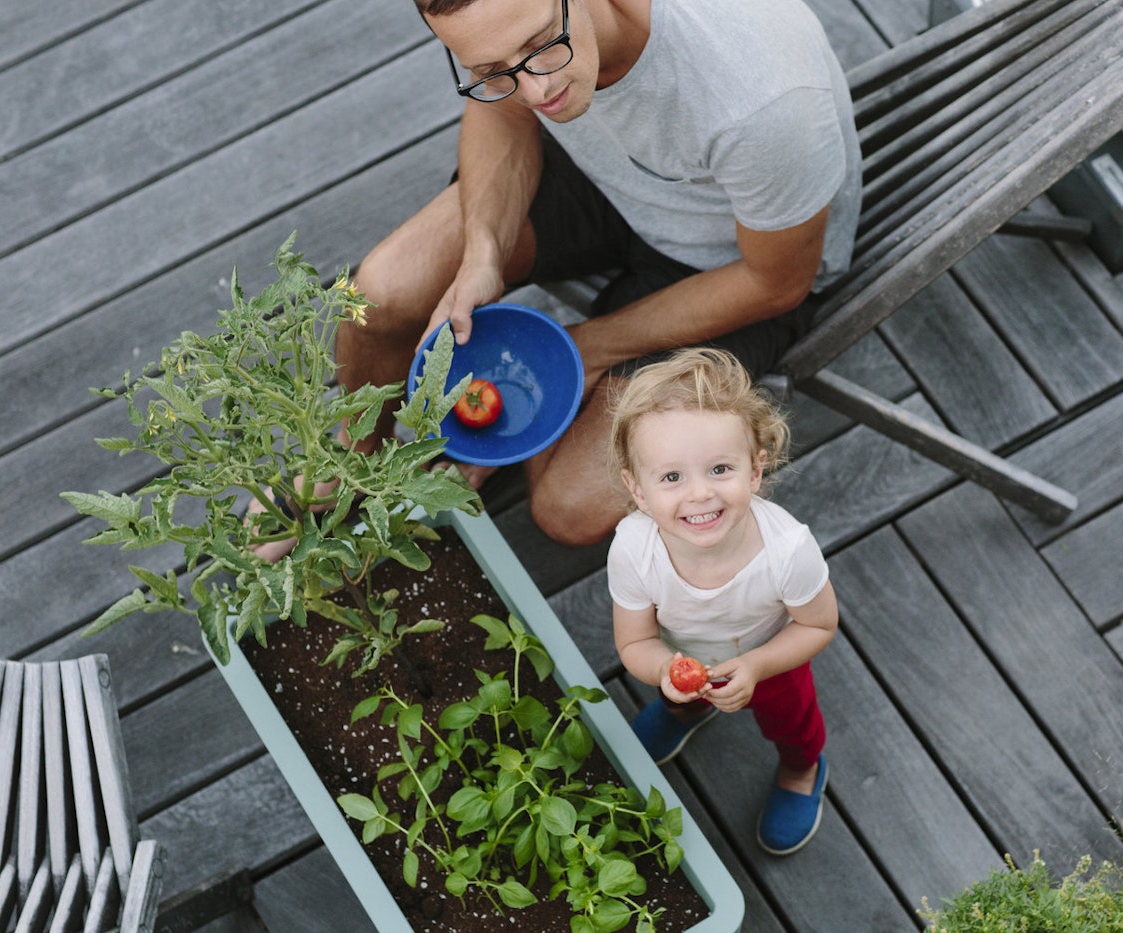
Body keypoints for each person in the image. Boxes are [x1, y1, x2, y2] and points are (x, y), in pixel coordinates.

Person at [339, 0, 861, 548]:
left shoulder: (760, 102)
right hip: (606, 175)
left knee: (568, 510)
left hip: (735, 262)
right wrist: (483, 254)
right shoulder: (527, 55)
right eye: (493, 70)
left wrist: (582, 351)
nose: (535, 91)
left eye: (542, 45)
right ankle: (353, 461)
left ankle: (543, 422)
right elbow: (503, 111)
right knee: (377, 296)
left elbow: (776, 283)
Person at [607, 347, 839, 855]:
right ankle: (685, 711)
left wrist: (756, 666)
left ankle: (801, 768)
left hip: (771, 657)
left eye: (719, 469)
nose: (698, 495)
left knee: (793, 722)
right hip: (683, 654)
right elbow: (637, 640)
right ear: (638, 490)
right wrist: (666, 671)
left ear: (755, 471)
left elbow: (818, 625)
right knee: (675, 691)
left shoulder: (787, 550)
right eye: (671, 477)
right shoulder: (633, 548)